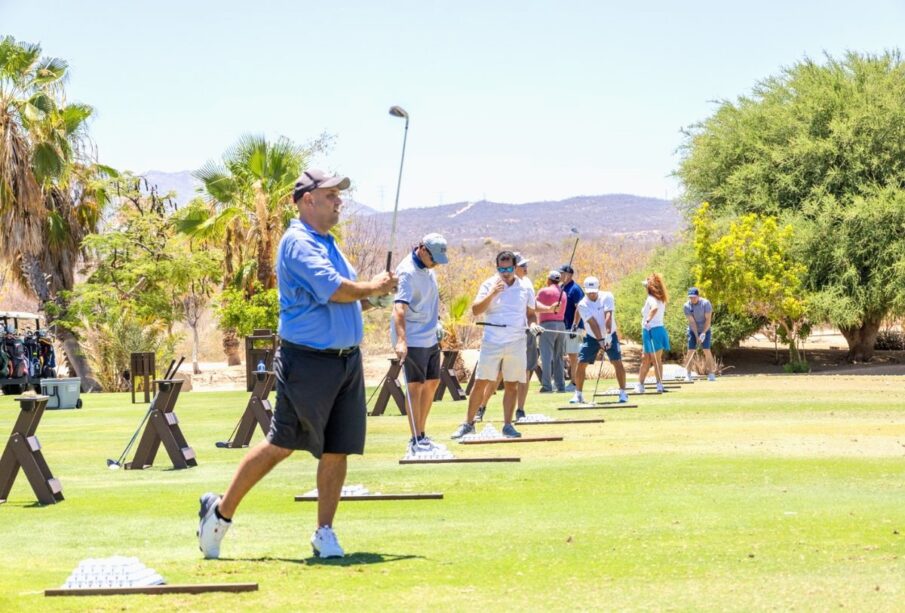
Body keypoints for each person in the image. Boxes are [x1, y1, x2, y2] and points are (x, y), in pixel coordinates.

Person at [197, 169, 397, 560]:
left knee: (338, 448)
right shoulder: (298, 243)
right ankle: (219, 514)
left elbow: (348, 298)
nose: (339, 200)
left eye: (339, 194)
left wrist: (378, 296)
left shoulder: (328, 243)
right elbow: (335, 290)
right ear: (308, 200)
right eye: (331, 195)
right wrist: (371, 288)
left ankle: (325, 533)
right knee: (282, 444)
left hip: (346, 362)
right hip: (307, 362)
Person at [451, 251, 541, 440]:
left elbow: (531, 313)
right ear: (497, 267)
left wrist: (533, 324)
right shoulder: (488, 284)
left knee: (512, 385)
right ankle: (468, 424)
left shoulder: (525, 288)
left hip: (516, 341)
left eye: (509, 268)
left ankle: (508, 425)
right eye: (501, 268)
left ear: (515, 267)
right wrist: (493, 293)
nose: (505, 272)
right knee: (481, 382)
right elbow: (476, 310)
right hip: (492, 341)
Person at [392, 233, 449, 451]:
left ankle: (422, 435)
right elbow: (399, 309)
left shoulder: (428, 269)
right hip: (413, 336)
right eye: (433, 258)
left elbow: (430, 301)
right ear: (422, 250)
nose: (436, 264)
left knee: (432, 382)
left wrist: (438, 322)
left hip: (429, 334)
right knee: (415, 386)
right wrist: (401, 341)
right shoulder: (406, 272)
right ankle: (414, 440)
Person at [512, 253, 557, 420]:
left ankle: (520, 409)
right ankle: (482, 407)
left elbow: (531, 307)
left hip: (527, 333)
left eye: (525, 265)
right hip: (508, 335)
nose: (526, 268)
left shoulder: (527, 283)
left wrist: (549, 309)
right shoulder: (502, 283)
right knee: (499, 375)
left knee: (526, 371)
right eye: (522, 265)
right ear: (513, 267)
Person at [572, 276, 629, 404]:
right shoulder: (582, 304)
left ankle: (623, 393)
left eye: (593, 290)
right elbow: (593, 324)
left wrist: (608, 336)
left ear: (598, 288)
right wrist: (600, 340)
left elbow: (608, 316)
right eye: (588, 291)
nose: (591, 293)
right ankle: (578, 394)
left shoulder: (607, 296)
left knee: (617, 361)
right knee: (581, 362)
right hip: (592, 336)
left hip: (610, 333)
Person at [636, 273, 670, 394]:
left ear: (650, 287)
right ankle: (659, 385)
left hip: (650, 329)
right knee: (657, 360)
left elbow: (654, 308)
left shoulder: (651, 298)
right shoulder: (662, 299)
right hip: (659, 329)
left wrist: (647, 320)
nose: (645, 288)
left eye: (646, 286)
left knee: (646, 359)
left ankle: (640, 384)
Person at [535, 270, 566, 393]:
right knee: (559, 357)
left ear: (549, 279)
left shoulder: (544, 291)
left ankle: (547, 386)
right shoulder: (563, 293)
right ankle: (560, 385)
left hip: (547, 325)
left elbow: (533, 305)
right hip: (561, 326)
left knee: (546, 356)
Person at [559, 264, 585, 392]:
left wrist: (575, 325)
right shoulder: (562, 287)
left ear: (568, 274)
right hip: (564, 326)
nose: (560, 275)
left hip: (574, 327)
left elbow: (579, 307)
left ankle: (574, 383)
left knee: (574, 355)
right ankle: (570, 381)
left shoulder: (575, 289)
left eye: (562, 273)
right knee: (569, 354)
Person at [683, 287, 717, 381]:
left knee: (706, 350)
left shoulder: (705, 303)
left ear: (698, 296)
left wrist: (703, 333)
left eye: (694, 297)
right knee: (690, 350)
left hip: (705, 329)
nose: (692, 299)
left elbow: (708, 320)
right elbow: (692, 322)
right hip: (693, 330)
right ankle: (688, 374)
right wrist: (697, 335)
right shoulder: (687, 306)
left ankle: (711, 374)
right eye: (690, 297)